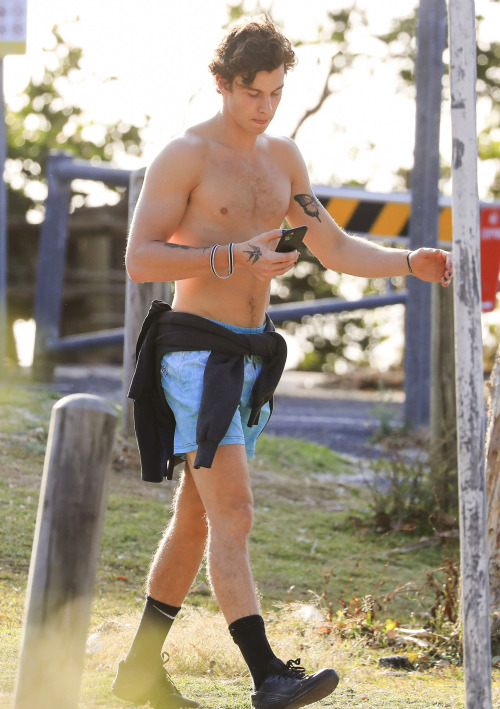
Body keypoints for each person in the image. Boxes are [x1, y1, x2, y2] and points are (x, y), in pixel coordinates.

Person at [112, 15, 453, 709]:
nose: (263, 106)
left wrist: (408, 262)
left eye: (274, 93)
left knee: (201, 518)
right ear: (221, 83)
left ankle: (138, 673)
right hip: (191, 353)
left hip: (250, 359)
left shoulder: (284, 157)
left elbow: (332, 245)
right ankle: (268, 673)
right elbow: (139, 257)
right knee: (234, 509)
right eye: (251, 92)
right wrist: (228, 256)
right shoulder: (186, 156)